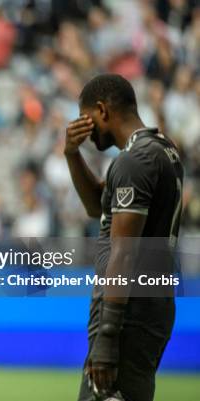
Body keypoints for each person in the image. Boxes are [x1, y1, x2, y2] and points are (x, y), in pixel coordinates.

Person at [64, 74, 183, 401]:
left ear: (102, 110)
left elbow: (124, 253)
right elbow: (96, 207)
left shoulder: (134, 162)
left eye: (86, 117)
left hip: (128, 313)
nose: (86, 130)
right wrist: (72, 154)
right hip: (150, 305)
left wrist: (106, 335)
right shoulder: (161, 150)